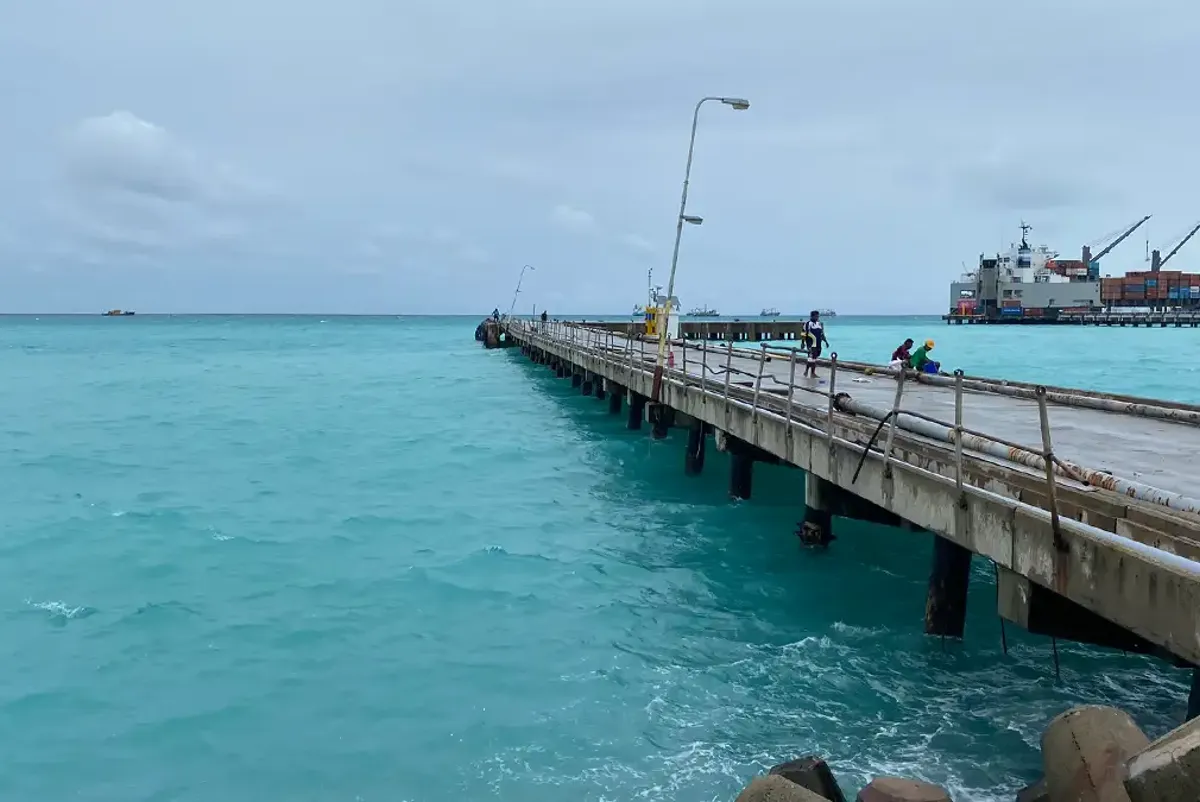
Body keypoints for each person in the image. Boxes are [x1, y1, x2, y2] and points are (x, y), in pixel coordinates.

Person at [801, 310, 829, 378]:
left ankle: (808, 371)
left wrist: (826, 342)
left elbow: (822, 334)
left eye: (818, 316)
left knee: (814, 358)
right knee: (812, 357)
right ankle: (811, 373)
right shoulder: (808, 324)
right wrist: (802, 343)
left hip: (818, 343)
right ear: (812, 316)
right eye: (816, 316)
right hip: (811, 343)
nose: (817, 317)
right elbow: (804, 334)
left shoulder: (819, 324)